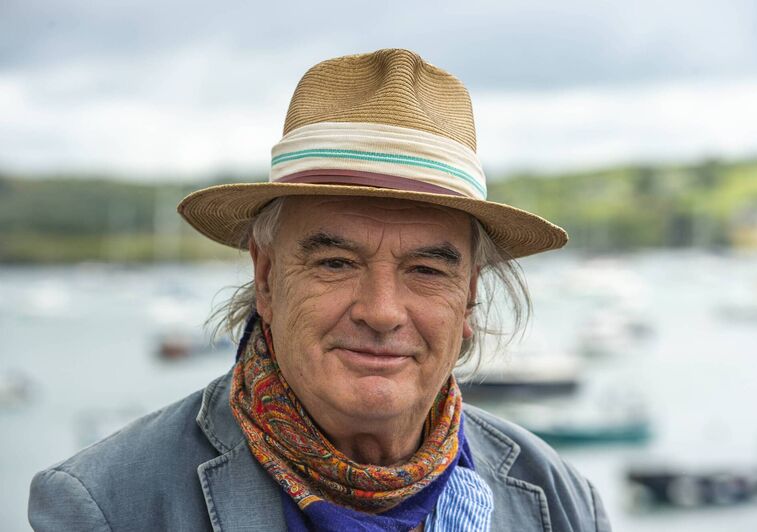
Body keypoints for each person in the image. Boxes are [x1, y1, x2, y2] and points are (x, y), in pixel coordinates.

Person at [28, 49, 610, 532]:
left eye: (427, 271)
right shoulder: (106, 506)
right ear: (266, 277)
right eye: (335, 262)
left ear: (470, 297)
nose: (382, 312)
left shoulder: (557, 500)